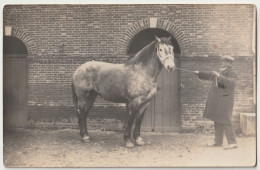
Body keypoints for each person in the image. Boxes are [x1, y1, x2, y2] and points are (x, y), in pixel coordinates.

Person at [193, 55, 237, 150]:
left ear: (229, 63)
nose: (222, 62)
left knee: (226, 120)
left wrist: (219, 76)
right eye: (222, 61)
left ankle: (233, 142)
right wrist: (199, 73)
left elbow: (231, 83)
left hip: (226, 100)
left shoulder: (232, 73)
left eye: (225, 61)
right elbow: (211, 75)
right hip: (218, 101)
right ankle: (218, 141)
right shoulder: (222, 71)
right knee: (217, 120)